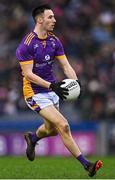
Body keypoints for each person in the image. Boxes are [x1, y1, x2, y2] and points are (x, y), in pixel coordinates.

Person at [16, 4, 102, 177]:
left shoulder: (54, 41)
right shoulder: (26, 45)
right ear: (40, 20)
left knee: (52, 129)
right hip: (34, 93)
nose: (54, 20)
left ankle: (32, 139)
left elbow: (66, 66)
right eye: (50, 17)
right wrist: (51, 86)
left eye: (54, 17)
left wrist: (76, 82)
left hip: (52, 91)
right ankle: (87, 165)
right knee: (63, 126)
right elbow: (28, 74)